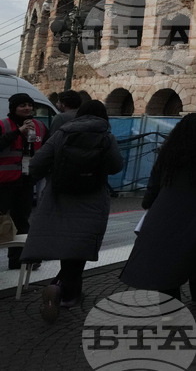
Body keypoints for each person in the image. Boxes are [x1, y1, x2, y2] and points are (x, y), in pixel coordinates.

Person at [22, 100, 122, 323]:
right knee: (80, 247)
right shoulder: (107, 137)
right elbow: (116, 166)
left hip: (60, 197)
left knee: (68, 247)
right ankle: (65, 292)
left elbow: (36, 165)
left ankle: (63, 289)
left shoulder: (62, 134)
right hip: (92, 200)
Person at [120, 113, 196, 303]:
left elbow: (154, 182)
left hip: (165, 211)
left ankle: (172, 297)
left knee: (169, 253)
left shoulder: (168, 154)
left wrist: (148, 203)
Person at [0, 93, 47, 270]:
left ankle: (19, 260)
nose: (27, 108)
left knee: (21, 221)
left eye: (29, 105)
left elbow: (47, 151)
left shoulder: (40, 127)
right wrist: (17, 132)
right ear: (14, 108)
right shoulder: (3, 125)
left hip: (26, 182)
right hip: (4, 183)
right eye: (22, 105)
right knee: (2, 221)